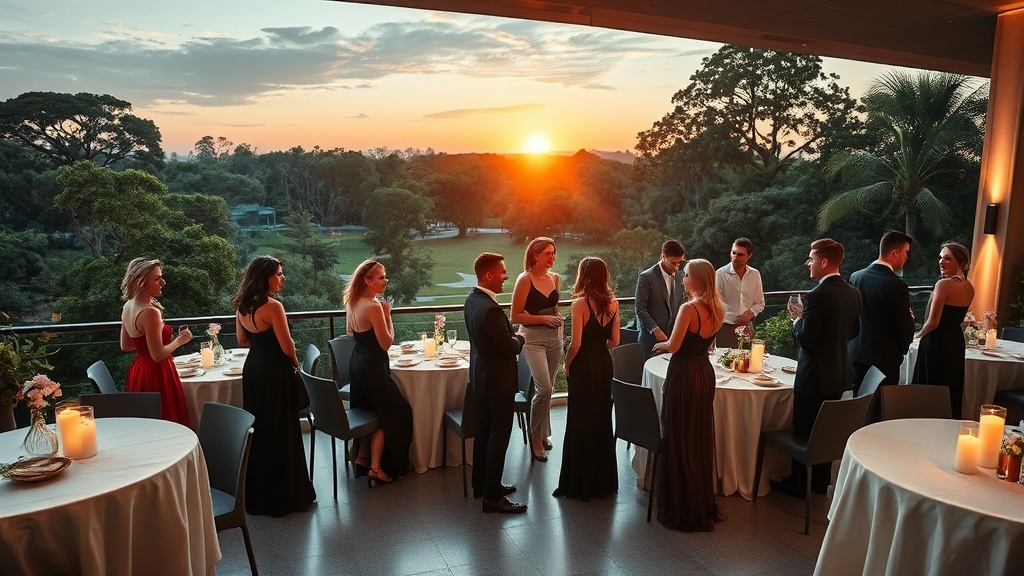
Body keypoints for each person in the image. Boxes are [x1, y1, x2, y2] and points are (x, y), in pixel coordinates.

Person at [776, 238, 861, 498]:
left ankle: (798, 485)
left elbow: (806, 340)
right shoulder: (852, 292)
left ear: (824, 262)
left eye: (811, 259)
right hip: (838, 373)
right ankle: (820, 482)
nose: (808, 264)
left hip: (813, 377)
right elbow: (854, 330)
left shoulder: (816, 297)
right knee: (825, 432)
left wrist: (797, 320)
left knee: (804, 432)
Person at [232, 255, 316, 516]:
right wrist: (295, 364)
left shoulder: (242, 306)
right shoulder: (273, 307)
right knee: (281, 428)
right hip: (274, 371)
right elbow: (287, 344)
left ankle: (261, 495)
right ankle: (287, 495)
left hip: (254, 368)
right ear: (265, 277)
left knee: (261, 429)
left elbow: (242, 341)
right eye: (279, 273)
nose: (282, 278)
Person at [651, 258, 724, 532]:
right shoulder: (717, 308)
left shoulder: (689, 308)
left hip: (684, 375)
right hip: (704, 374)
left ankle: (682, 504)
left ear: (697, 280)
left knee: (679, 434)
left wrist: (660, 345)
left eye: (687, 275)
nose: (683, 279)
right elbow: (706, 346)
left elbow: (674, 345)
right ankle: (699, 500)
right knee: (697, 435)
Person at [465, 252, 527, 513]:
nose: (506, 276)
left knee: (483, 432)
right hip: (498, 381)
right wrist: (520, 337)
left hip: (481, 378)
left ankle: (482, 484)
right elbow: (508, 347)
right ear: (488, 275)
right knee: (498, 436)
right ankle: (492, 496)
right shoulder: (490, 309)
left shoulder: (472, 300)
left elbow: (490, 340)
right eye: (502, 272)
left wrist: (507, 334)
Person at [553, 257, 619, 501]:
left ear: (584, 276)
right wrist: (600, 347)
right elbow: (615, 341)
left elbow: (576, 343)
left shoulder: (580, 303)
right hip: (603, 363)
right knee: (601, 418)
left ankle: (579, 482)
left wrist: (567, 364)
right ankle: (602, 482)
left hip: (584, 364)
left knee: (580, 419)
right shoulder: (613, 304)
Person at [343, 259, 413, 484]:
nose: (386, 281)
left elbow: (350, 332)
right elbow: (386, 343)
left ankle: (364, 457)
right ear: (367, 280)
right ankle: (376, 467)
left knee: (370, 410)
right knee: (397, 412)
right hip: (373, 366)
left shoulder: (353, 302)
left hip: (357, 362)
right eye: (381, 277)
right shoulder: (374, 307)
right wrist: (388, 316)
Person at [119, 257, 192, 426]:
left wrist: (145, 347)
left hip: (139, 371)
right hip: (157, 373)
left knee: (146, 422)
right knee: (166, 420)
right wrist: (180, 341)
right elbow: (157, 355)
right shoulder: (150, 312)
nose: (163, 282)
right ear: (142, 282)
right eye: (157, 278)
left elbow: (126, 345)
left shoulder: (128, 306)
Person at [510, 237, 563, 461]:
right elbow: (515, 316)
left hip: (555, 339)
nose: (552, 257)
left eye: (553, 253)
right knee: (543, 389)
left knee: (548, 391)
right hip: (532, 340)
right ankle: (534, 438)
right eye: (547, 253)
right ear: (535, 255)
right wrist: (543, 319)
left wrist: (557, 318)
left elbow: (554, 308)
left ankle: (543, 434)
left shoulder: (555, 278)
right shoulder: (525, 279)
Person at [849, 230, 916, 403]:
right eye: (906, 253)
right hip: (883, 360)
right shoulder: (896, 285)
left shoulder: (856, 277)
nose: (906, 258)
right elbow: (903, 326)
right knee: (880, 410)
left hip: (856, 353)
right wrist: (910, 324)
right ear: (895, 253)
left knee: (857, 405)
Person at [912, 242, 975, 418]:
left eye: (947, 258)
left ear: (961, 264)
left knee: (929, 390)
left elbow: (933, 322)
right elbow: (958, 320)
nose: (941, 262)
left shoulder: (944, 285)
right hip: (955, 342)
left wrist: (917, 335)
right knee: (950, 388)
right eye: (940, 257)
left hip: (937, 343)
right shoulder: (970, 287)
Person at [635, 240, 687, 359]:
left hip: (675, 339)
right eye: (673, 263)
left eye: (680, 262)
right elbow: (640, 308)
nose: (676, 266)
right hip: (652, 339)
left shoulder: (682, 275)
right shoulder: (646, 277)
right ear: (662, 256)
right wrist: (655, 330)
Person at [715, 238, 765, 349]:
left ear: (749, 256)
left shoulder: (755, 274)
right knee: (723, 362)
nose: (735, 257)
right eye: (733, 253)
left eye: (740, 255)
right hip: (725, 327)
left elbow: (760, 302)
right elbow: (716, 303)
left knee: (746, 362)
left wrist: (749, 315)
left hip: (747, 327)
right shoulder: (720, 274)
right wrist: (736, 319)